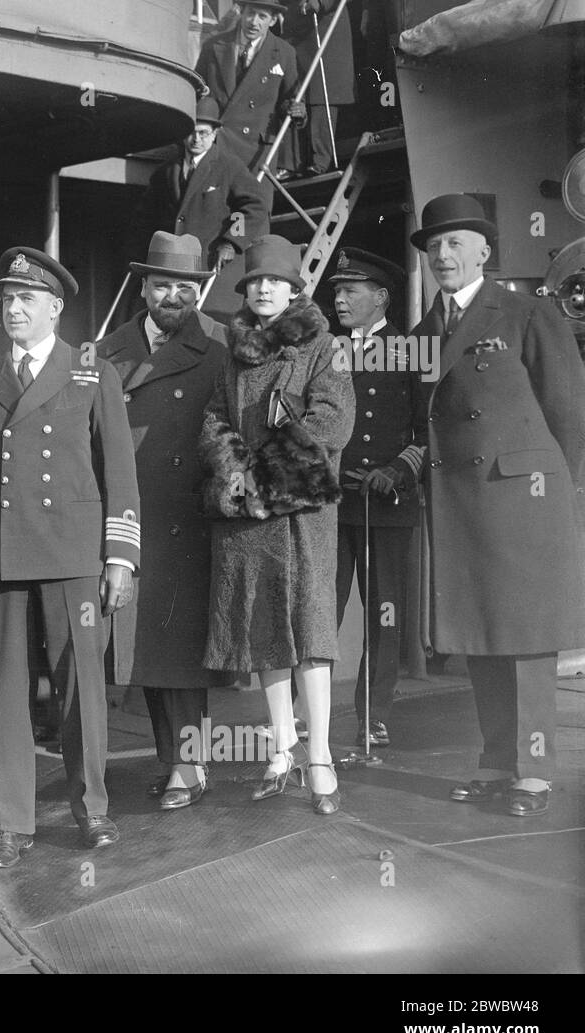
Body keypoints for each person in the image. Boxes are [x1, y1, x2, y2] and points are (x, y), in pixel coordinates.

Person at [0, 247, 141, 868]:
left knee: (79, 689)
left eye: (26, 300)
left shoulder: (91, 372)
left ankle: (92, 809)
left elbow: (118, 468)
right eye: (8, 299)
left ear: (56, 308)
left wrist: (120, 554)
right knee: (7, 693)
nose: (13, 309)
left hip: (72, 555)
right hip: (3, 556)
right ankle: (13, 823)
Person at [409, 194, 585, 817]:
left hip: (522, 500)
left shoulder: (525, 312)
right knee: (482, 633)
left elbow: (570, 411)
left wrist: (556, 493)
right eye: (434, 245)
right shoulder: (423, 332)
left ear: (484, 250)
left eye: (455, 242)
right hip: (459, 503)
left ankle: (533, 773)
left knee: (527, 638)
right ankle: (496, 762)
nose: (442, 254)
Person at [200, 234, 354, 814]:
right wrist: (236, 473)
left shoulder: (323, 345)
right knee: (263, 629)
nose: (263, 289)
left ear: (295, 289)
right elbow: (215, 419)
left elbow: (331, 419)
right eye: (254, 281)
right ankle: (282, 749)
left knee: (309, 631)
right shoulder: (233, 350)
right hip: (247, 515)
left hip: (301, 511)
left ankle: (321, 756)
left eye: (275, 281)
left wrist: (266, 478)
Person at [95, 233, 232, 808]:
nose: (172, 295)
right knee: (142, 648)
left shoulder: (223, 345)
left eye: (185, 286)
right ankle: (175, 760)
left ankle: (189, 765)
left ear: (199, 290)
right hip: (127, 515)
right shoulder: (106, 349)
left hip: (187, 514)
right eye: (162, 284)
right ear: (143, 288)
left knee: (177, 651)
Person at [328, 247, 425, 749]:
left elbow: (427, 428)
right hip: (332, 503)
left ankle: (373, 714)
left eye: (351, 290)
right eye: (337, 291)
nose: (340, 299)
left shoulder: (411, 351)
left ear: (381, 297)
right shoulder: (327, 351)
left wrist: (397, 470)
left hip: (387, 505)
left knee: (383, 614)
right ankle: (312, 708)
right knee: (321, 610)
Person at [131, 98, 268, 272]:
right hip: (171, 266)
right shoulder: (166, 171)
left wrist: (232, 242)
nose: (196, 139)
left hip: (210, 265)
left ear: (215, 133)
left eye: (203, 133)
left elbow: (253, 206)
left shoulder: (229, 166)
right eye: (191, 132)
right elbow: (145, 215)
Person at [195, 1, 303, 193]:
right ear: (241, 13)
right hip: (218, 146)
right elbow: (197, 93)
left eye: (262, 16)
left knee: (253, 217)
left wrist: (298, 111)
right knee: (214, 214)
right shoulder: (213, 46)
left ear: (272, 21)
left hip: (257, 152)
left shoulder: (285, 52)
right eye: (250, 14)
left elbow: (290, 99)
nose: (254, 22)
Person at [281, 0, 355, 175]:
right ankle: (295, 162)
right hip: (295, 27)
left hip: (322, 27)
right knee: (295, 93)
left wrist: (318, 2)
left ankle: (320, 159)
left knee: (322, 93)